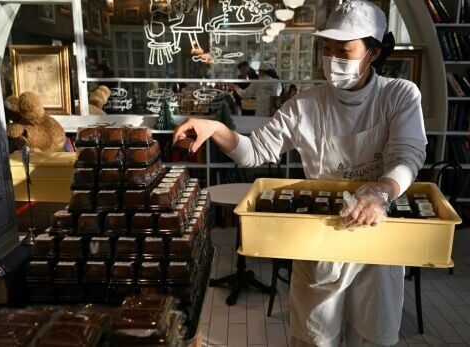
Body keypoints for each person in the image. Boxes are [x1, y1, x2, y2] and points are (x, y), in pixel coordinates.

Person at [174, 1, 427, 346]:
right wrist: (216, 128)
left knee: (372, 335)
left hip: (376, 246)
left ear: (373, 51)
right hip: (319, 242)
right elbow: (255, 152)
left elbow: (407, 155)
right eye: (327, 48)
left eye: (345, 49)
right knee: (314, 338)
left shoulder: (397, 96)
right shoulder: (306, 105)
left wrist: (379, 191)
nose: (333, 58)